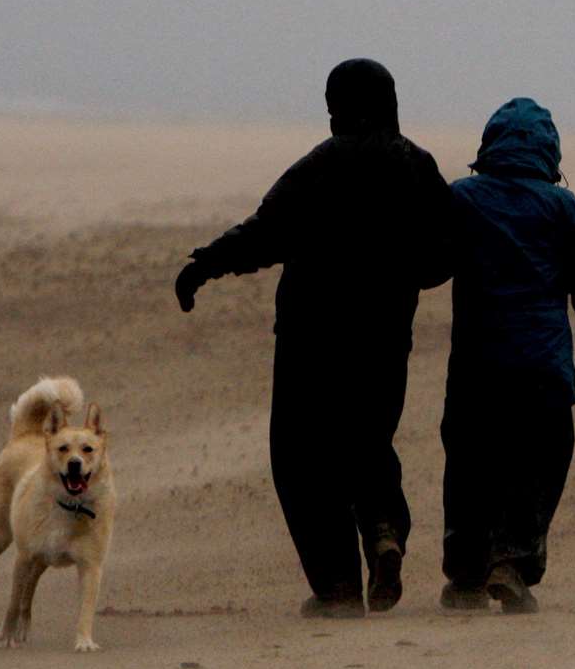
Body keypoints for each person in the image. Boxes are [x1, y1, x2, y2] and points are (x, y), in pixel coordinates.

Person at [174, 59, 452, 618]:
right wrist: (398, 277)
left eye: (333, 106)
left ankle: (340, 589)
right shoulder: (417, 166)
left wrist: (205, 264)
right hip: (384, 336)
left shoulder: (321, 165)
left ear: (343, 107)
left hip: (311, 338)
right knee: (368, 441)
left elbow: (266, 233)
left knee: (303, 458)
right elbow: (444, 253)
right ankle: (382, 530)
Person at [440, 97, 575, 613]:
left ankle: (468, 575)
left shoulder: (463, 199)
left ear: (489, 145)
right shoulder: (565, 208)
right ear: (550, 151)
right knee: (537, 466)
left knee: (471, 466)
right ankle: (513, 564)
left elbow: (428, 261)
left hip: (477, 366)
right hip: (543, 369)